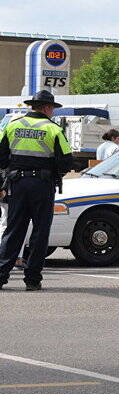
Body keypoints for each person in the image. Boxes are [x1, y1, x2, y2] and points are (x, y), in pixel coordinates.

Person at [0, 90, 73, 290]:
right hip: (42, 184)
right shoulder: (53, 129)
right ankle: (32, 279)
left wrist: (12, 170)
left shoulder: (12, 125)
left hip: (17, 184)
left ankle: (1, 275)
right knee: (40, 232)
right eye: (53, 110)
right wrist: (53, 173)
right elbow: (66, 161)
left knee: (14, 230)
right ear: (47, 108)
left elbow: (1, 156)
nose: (53, 113)